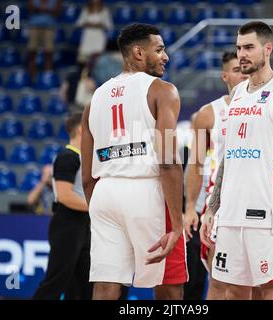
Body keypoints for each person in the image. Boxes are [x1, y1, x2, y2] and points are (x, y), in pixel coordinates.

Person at [200, 21, 273, 300]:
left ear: (268, 49)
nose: (242, 54)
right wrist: (213, 208)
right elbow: (227, 157)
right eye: (239, 48)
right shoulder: (237, 93)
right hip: (231, 212)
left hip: (269, 214)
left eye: (249, 47)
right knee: (233, 291)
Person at [81, 23, 187, 300]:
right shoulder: (162, 90)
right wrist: (177, 224)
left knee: (105, 284)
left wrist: (97, 204)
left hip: (105, 193)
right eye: (160, 49)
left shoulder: (95, 98)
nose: (166, 57)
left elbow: (87, 173)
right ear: (139, 53)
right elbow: (167, 162)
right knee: (169, 284)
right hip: (145, 191)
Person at [184, 51, 248, 300]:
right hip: (220, 204)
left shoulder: (267, 106)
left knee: (256, 287)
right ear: (225, 76)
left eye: (244, 69)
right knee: (218, 282)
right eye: (235, 70)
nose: (241, 74)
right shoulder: (208, 113)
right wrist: (191, 207)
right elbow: (196, 164)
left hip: (256, 202)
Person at [33, 112, 92, 300]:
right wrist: (97, 208)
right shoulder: (68, 157)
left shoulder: (84, 157)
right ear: (82, 130)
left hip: (82, 224)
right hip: (68, 223)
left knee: (81, 285)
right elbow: (66, 196)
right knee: (55, 282)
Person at [26, 0, 62, 77]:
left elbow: (58, 11)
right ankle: (31, 76)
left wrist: (41, 9)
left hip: (49, 27)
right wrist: (48, 10)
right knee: (32, 51)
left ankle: (47, 76)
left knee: (48, 52)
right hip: (34, 26)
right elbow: (29, 8)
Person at [76, 0, 113, 73]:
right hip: (87, 37)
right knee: (84, 60)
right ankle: (84, 77)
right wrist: (87, 23)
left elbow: (109, 26)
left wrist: (100, 25)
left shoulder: (105, 11)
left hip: (99, 38)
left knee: (97, 61)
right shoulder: (86, 10)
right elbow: (79, 23)